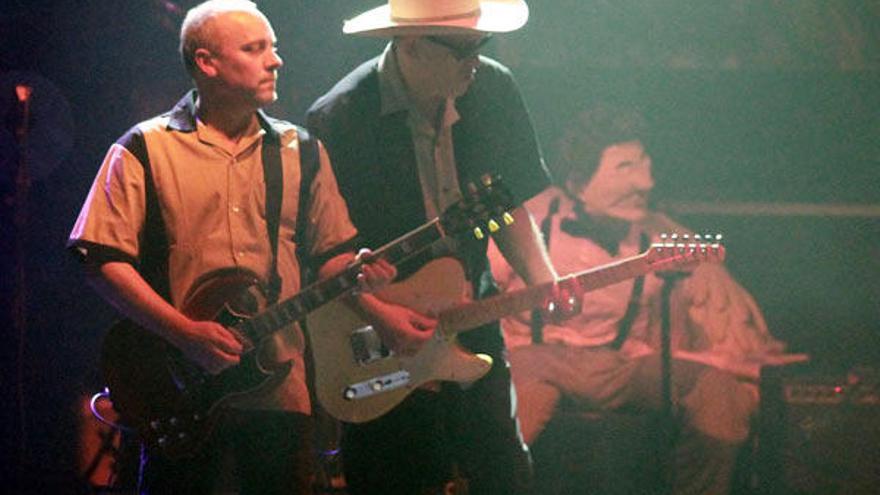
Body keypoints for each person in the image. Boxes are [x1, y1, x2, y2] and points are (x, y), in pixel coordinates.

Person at [67, 1, 395, 493]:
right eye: (255, 48)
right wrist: (185, 334)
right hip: (179, 391)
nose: (275, 60)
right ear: (206, 62)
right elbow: (100, 259)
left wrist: (359, 271)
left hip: (280, 392)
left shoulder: (303, 150)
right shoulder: (142, 148)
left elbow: (331, 257)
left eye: (274, 48)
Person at [306, 1, 567, 493]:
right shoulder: (341, 117)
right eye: (460, 49)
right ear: (410, 46)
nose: (475, 60)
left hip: (471, 304)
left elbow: (506, 206)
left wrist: (542, 280)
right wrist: (382, 315)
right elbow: (323, 249)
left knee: (502, 468)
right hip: (377, 324)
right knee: (391, 469)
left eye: (480, 46)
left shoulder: (493, 88)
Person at [488, 102, 799, 495]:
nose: (645, 183)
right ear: (577, 178)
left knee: (720, 399)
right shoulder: (527, 223)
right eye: (625, 168)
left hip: (621, 363)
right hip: (535, 358)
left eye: (645, 166)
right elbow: (473, 293)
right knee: (508, 421)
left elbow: (724, 317)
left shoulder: (664, 237)